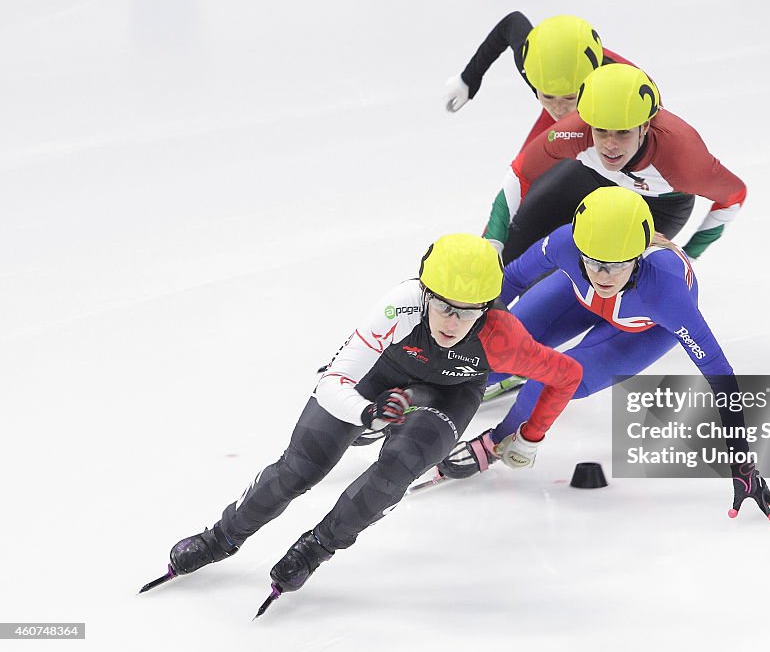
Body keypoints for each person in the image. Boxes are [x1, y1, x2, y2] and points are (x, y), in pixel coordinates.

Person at [147, 235, 582, 599]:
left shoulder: (505, 340)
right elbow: (333, 381)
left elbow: (568, 375)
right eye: (445, 306)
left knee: (397, 469)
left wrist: (528, 435)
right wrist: (367, 412)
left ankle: (317, 547)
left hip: (449, 393)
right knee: (300, 468)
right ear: (425, 293)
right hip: (380, 376)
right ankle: (221, 537)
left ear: (487, 309)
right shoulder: (401, 306)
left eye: (469, 311)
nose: (453, 321)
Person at [439, 188, 770, 522]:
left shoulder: (667, 293)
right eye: (592, 262)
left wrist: (743, 464)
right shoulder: (567, 244)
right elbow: (512, 280)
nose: (602, 275)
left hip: (642, 326)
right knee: (487, 357)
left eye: (615, 265)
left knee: (542, 384)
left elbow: (719, 374)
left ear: (637, 256)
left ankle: (495, 442)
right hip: (577, 296)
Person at [484, 63, 747, 264]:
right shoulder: (574, 132)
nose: (610, 144)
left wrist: (689, 258)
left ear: (644, 126)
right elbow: (520, 173)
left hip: (657, 206)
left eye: (623, 132)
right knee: (510, 247)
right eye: (601, 131)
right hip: (589, 179)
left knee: (575, 274)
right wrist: (492, 242)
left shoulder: (682, 160)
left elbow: (734, 195)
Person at [443, 12, 632, 152]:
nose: (558, 108)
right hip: (585, 106)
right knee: (525, 175)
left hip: (605, 109)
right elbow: (511, 24)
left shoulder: (621, 90)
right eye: (548, 96)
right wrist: (468, 79)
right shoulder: (533, 65)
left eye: (568, 97)